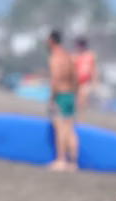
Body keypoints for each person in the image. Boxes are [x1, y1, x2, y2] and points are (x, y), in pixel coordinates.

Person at [47, 30, 79, 171]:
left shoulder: (55, 57)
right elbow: (75, 77)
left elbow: (55, 78)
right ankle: (73, 163)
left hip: (60, 95)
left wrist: (52, 97)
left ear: (51, 40)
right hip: (70, 95)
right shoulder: (68, 56)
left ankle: (61, 160)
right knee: (70, 129)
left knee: (60, 129)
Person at [73, 36, 98, 112]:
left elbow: (94, 69)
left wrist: (95, 82)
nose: (79, 48)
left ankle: (83, 113)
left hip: (86, 82)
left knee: (83, 98)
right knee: (77, 101)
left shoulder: (90, 56)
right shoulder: (75, 56)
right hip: (76, 82)